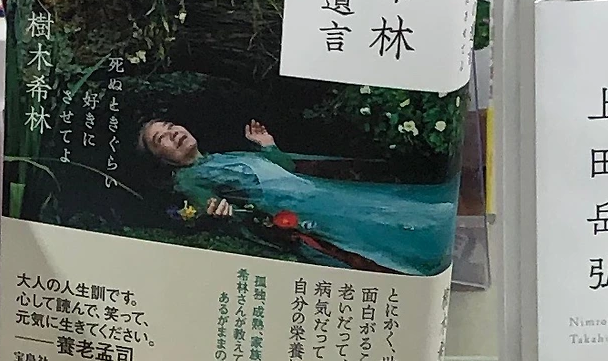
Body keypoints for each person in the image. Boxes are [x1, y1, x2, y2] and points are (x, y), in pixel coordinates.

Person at [138, 115, 458, 277]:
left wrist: (268, 146)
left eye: (170, 125)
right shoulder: (188, 181)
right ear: (162, 159)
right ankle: (430, 252)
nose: (173, 132)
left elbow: (286, 168)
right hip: (296, 209)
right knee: (368, 227)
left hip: (311, 191)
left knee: (381, 209)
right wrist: (222, 216)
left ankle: (439, 234)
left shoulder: (220, 157)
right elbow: (222, 213)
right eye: (160, 138)